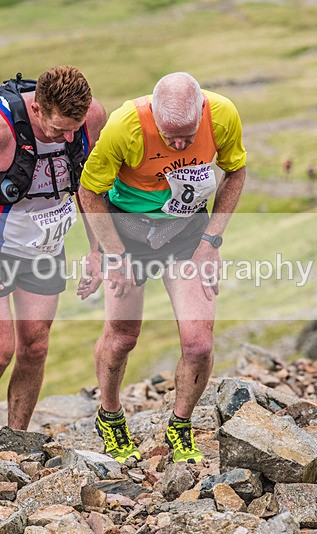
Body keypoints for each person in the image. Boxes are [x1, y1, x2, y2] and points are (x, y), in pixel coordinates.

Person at [78, 72, 247, 463]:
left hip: (187, 233)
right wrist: (113, 254)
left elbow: (235, 171)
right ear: (153, 113)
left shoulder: (222, 114)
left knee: (198, 343)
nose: (179, 144)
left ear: (201, 110)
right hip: (129, 233)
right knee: (122, 337)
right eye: (170, 135)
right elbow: (89, 190)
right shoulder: (124, 126)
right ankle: (110, 416)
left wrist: (212, 241)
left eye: (188, 135)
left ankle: (180, 425)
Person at [0, 66, 106, 432]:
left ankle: (17, 436)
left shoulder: (91, 118)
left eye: (74, 127)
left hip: (45, 246)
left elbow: (90, 185)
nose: (68, 136)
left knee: (35, 347)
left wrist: (98, 249)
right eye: (59, 129)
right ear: (37, 109)